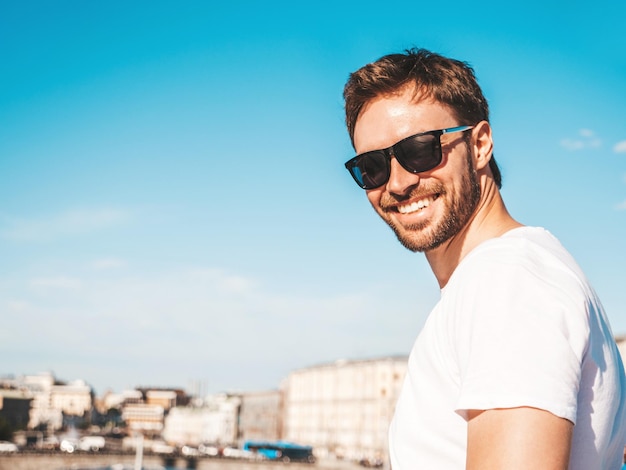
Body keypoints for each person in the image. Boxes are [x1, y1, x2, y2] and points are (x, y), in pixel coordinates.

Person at [342, 48, 626, 469]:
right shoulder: (505, 277)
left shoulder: (506, 282)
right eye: (372, 166)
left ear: (479, 144)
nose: (398, 183)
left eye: (420, 151)